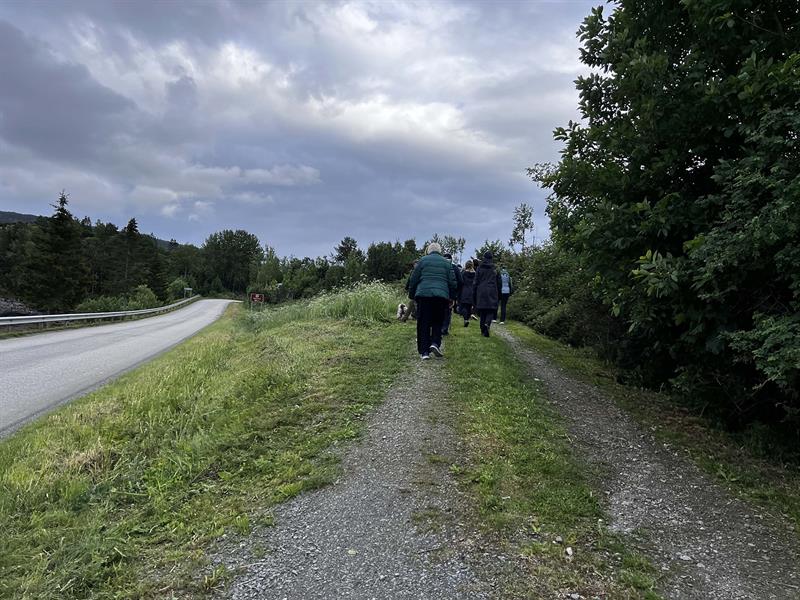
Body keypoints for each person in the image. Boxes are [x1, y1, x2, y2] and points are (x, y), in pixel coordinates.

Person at [407, 243, 457, 359]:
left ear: (428, 251)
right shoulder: (446, 263)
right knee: (438, 321)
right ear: (440, 251)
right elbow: (452, 282)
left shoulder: (422, 261)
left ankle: (424, 352)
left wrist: (412, 295)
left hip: (424, 296)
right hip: (441, 297)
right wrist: (452, 297)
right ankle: (435, 343)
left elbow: (414, 279)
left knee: (423, 322)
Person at [473, 251, 501, 337]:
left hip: (481, 290)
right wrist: (498, 293)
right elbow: (499, 282)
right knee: (490, 310)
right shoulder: (495, 269)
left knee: (483, 311)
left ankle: (482, 330)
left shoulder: (479, 268)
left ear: (484, 258)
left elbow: (475, 281)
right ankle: (487, 324)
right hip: (492, 290)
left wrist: (474, 292)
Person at [441, 252, 462, 336]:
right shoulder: (455, 268)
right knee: (448, 311)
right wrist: (456, 293)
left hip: (440, 291)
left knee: (439, 310)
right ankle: (444, 329)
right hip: (450, 293)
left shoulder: (440, 267)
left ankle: (438, 327)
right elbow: (460, 281)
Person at [459, 260, 476, 327]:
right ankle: (467, 319)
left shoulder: (463, 273)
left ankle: (466, 319)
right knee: (469, 307)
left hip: (465, 290)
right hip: (472, 291)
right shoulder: (475, 274)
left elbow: (461, 282)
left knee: (463, 307)